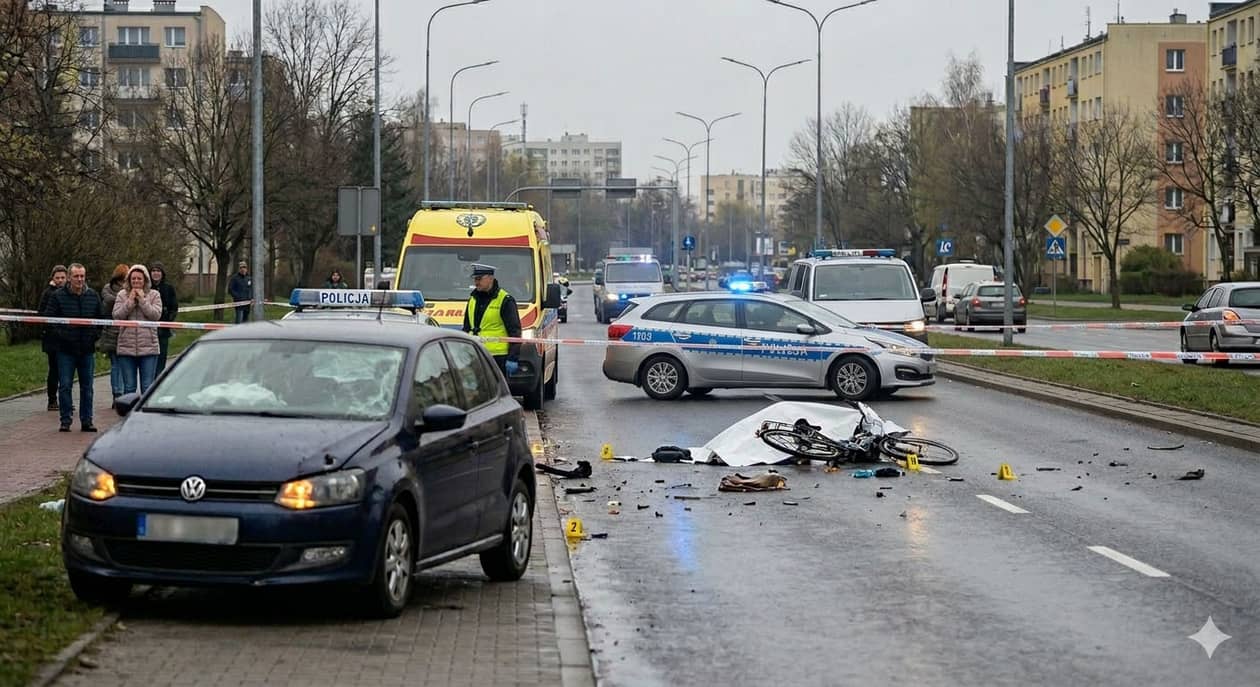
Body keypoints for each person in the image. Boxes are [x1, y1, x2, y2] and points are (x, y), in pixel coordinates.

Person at [43, 263, 103, 432]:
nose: (79, 279)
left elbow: (101, 319)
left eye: (82, 276)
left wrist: (94, 336)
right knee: (65, 386)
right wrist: (63, 335)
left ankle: (87, 420)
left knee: (87, 387)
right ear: (69, 277)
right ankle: (65, 420)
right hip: (65, 349)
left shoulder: (93, 296)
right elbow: (49, 320)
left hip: (87, 349)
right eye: (76, 276)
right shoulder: (57, 296)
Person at [461, 263, 522, 377]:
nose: (476, 282)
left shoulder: (505, 300)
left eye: (479, 279)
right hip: (475, 354)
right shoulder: (473, 299)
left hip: (497, 357)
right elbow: (466, 327)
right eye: (475, 279)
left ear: (490, 278)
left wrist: (513, 357)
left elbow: (515, 332)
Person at [112, 264, 163, 395]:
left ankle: (147, 415)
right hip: (126, 348)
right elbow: (117, 315)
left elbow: (155, 315)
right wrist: (129, 301)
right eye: (133, 279)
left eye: (139, 279)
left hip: (149, 348)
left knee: (147, 387)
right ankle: (129, 414)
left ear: (145, 280)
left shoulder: (154, 295)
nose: (136, 281)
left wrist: (142, 300)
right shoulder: (122, 295)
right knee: (129, 387)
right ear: (129, 280)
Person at [38, 265, 68, 411]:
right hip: (52, 338)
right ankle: (52, 399)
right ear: (53, 278)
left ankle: (65, 399)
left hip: (67, 338)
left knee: (66, 370)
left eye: (63, 277)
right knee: (54, 369)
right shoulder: (48, 294)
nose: (60, 280)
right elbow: (42, 314)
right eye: (58, 278)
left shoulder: (69, 293)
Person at [98, 264, 129, 400]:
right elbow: (109, 301)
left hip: (125, 331)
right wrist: (124, 299)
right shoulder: (108, 289)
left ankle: (120, 393)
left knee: (122, 365)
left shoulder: (129, 290)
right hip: (111, 331)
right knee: (116, 364)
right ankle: (117, 393)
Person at [149, 262, 179, 374]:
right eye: (153, 271)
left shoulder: (168, 288)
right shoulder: (147, 288)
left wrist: (168, 320)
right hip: (149, 330)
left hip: (163, 330)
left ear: (162, 273)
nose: (156, 273)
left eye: (158, 271)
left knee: (161, 358)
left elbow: (174, 307)